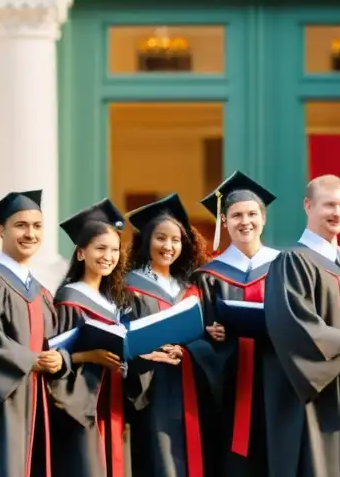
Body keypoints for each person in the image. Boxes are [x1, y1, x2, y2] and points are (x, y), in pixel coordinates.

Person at [263, 173, 340, 477]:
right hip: (314, 391)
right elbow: (289, 321)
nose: (338, 213)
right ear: (308, 205)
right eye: (329, 205)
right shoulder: (292, 261)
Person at [0, 190, 76, 476]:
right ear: (1, 229)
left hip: (37, 406)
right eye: (21, 225)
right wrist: (29, 360)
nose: (30, 234)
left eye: (37, 226)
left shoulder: (43, 293)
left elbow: (55, 343)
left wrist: (60, 361)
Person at [192, 171, 280, 477]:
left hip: (275, 377)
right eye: (237, 215)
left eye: (253, 214)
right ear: (224, 222)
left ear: (264, 219)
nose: (246, 221)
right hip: (226, 384)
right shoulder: (209, 274)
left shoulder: (284, 267)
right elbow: (196, 329)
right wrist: (206, 332)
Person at [123, 193, 218, 476]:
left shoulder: (192, 287)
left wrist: (192, 348)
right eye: (160, 238)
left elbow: (209, 343)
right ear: (146, 241)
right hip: (154, 393)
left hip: (191, 387)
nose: (168, 246)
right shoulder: (129, 288)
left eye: (175, 240)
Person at [52, 199, 133, 477]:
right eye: (100, 248)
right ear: (80, 253)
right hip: (82, 409)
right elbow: (56, 357)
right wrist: (89, 357)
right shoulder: (70, 299)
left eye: (114, 250)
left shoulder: (115, 303)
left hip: (114, 405)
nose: (108, 256)